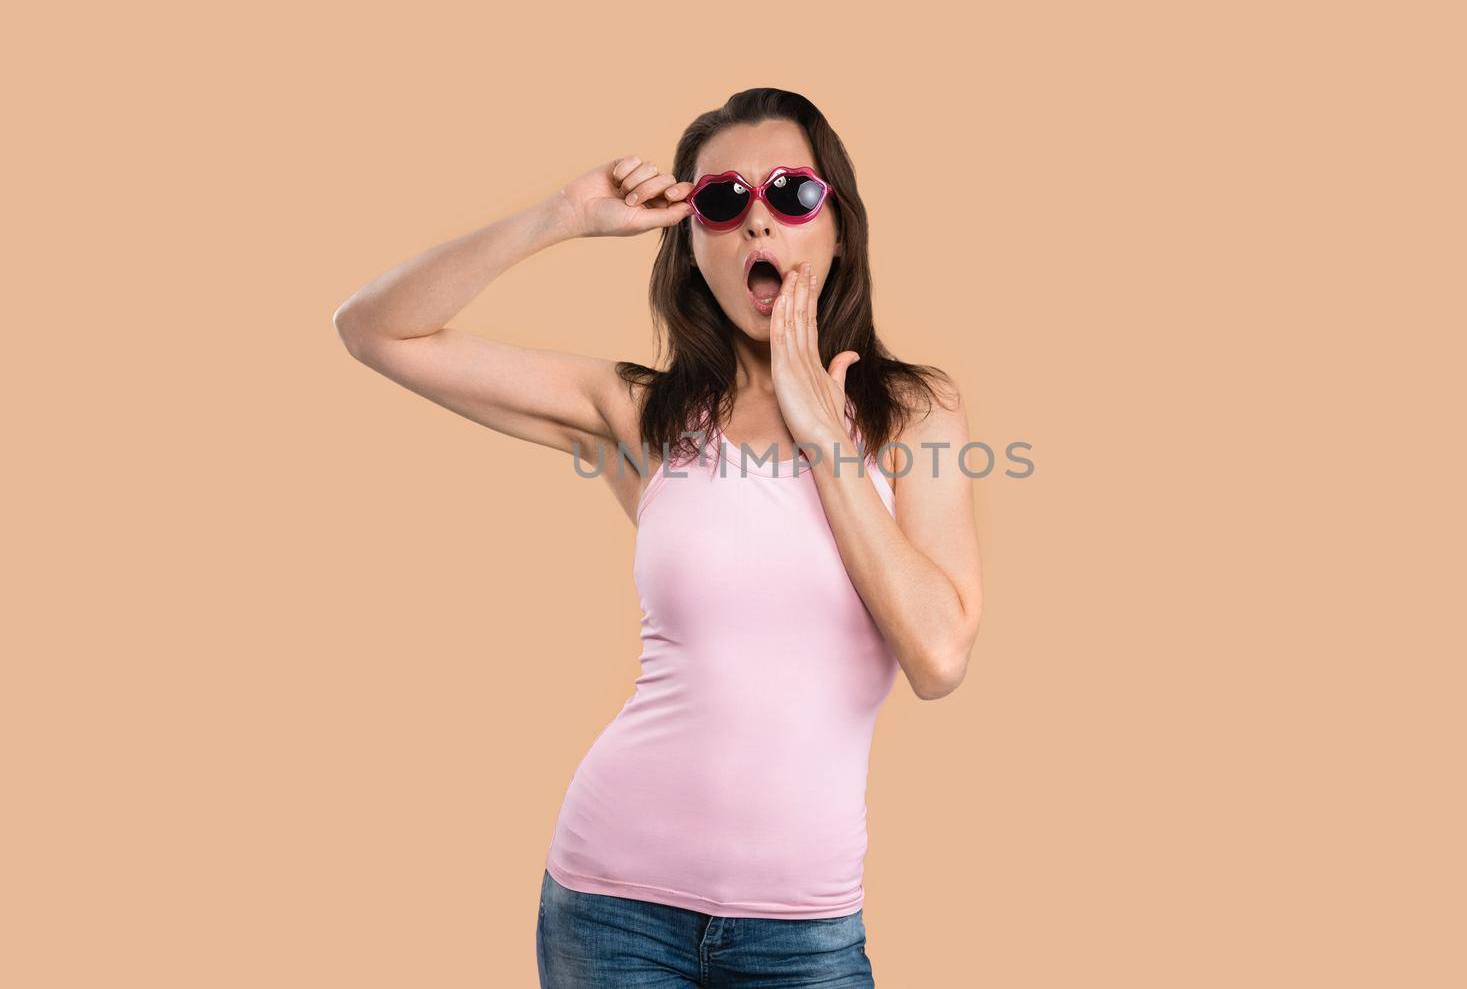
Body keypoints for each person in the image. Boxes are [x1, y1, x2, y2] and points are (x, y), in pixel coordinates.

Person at [333, 87, 983, 987]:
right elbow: (372, 328)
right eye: (723, 202)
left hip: (803, 932)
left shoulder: (915, 412)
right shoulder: (643, 411)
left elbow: (939, 655)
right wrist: (559, 217)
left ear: (837, 224)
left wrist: (823, 435)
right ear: (694, 243)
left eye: (791, 194)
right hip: (611, 909)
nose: (759, 226)